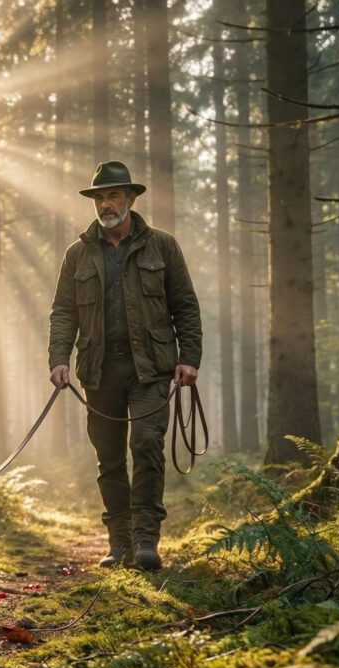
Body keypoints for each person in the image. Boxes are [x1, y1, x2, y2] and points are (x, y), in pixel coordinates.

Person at [48, 161, 202, 571]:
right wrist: (59, 359)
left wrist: (189, 358)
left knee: (147, 446)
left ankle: (146, 540)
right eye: (99, 197)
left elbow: (184, 305)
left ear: (131, 199)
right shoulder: (78, 254)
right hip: (99, 370)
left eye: (113, 195)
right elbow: (63, 312)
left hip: (150, 368)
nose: (105, 204)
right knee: (110, 458)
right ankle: (119, 544)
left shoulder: (163, 246)